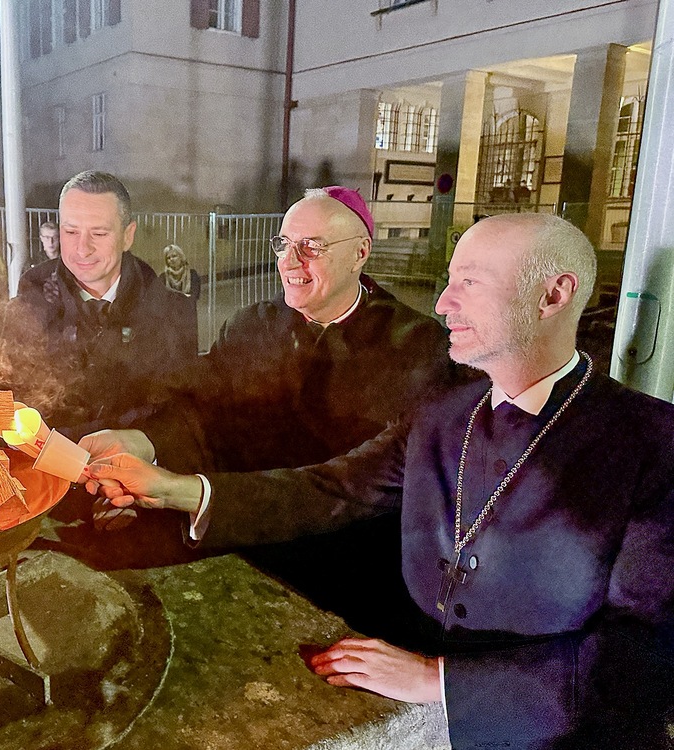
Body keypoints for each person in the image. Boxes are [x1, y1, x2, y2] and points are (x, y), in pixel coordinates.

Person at [85, 213, 674, 748]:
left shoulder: (655, 443)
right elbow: (330, 490)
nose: (442, 304)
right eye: (448, 281)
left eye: (470, 283)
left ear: (553, 294)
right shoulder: (443, 414)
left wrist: (439, 680)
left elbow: (645, 653)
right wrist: (172, 489)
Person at [84, 187, 455, 640]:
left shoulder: (418, 348)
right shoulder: (252, 324)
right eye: (283, 244)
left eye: (311, 247)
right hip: (235, 534)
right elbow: (204, 411)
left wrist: (186, 493)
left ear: (360, 253)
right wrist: (145, 442)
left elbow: (362, 491)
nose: (289, 261)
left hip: (342, 572)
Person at [14, 171, 198, 436]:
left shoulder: (171, 313)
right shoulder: (27, 307)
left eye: (99, 233)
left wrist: (142, 443)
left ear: (127, 236)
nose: (82, 248)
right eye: (71, 231)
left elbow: (181, 417)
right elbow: (9, 405)